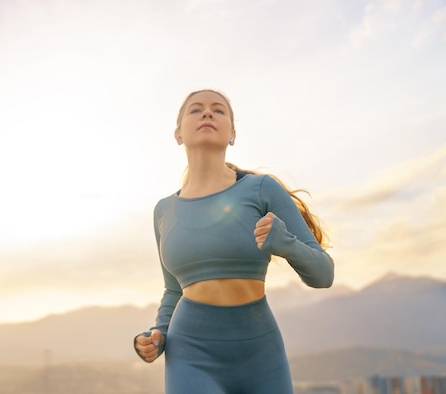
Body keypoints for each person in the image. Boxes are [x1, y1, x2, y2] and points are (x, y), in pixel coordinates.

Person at [133, 89, 334, 394]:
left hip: (261, 354)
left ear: (233, 135)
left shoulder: (261, 189)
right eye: (196, 109)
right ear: (178, 134)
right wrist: (158, 334)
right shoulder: (164, 210)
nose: (207, 113)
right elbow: (174, 289)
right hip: (190, 354)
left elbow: (324, 274)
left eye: (219, 110)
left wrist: (285, 243)